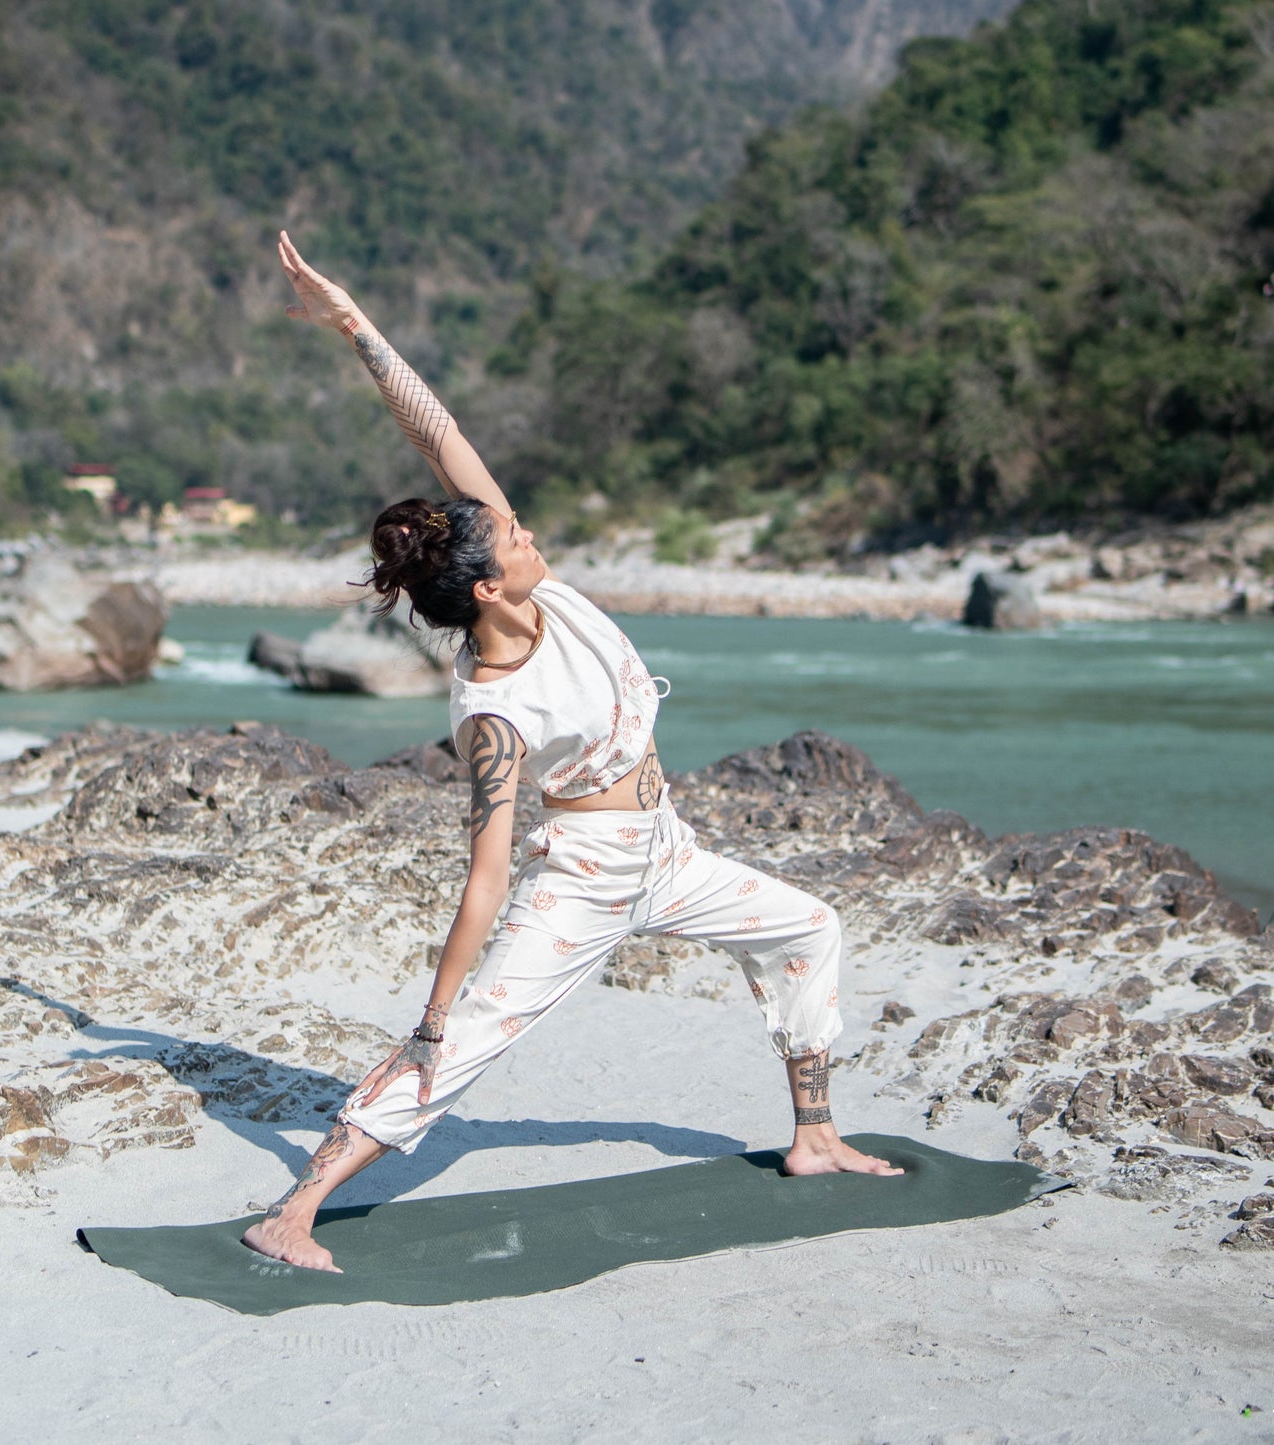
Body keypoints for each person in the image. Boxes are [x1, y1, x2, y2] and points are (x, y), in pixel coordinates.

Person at [242, 232, 902, 1273]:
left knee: (807, 927)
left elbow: (439, 433)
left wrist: (354, 324)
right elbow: (488, 873)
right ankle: (295, 1210)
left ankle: (813, 1135)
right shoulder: (495, 713)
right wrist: (434, 1005)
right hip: (582, 878)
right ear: (488, 588)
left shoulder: (526, 582)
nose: (524, 531)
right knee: (456, 1047)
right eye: (510, 539)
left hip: (666, 849)